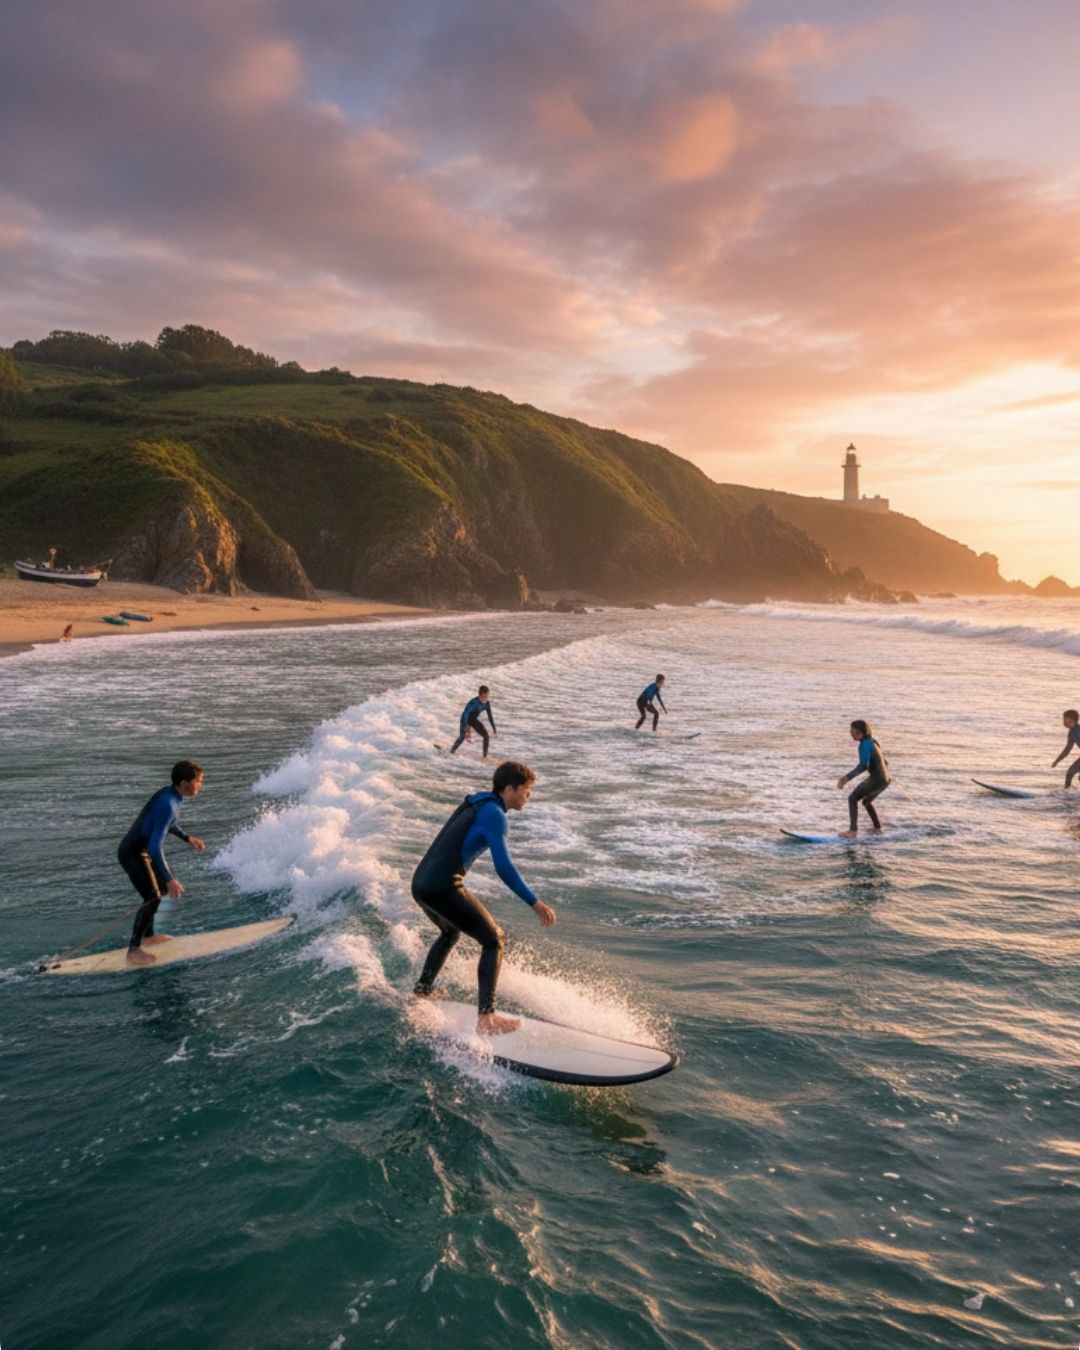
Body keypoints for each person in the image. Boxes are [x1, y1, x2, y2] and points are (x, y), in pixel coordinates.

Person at [412, 760, 556, 1034]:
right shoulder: (494, 815)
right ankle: (486, 1018)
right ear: (510, 788)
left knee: (450, 932)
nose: (529, 795)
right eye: (526, 790)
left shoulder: (479, 802)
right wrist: (534, 903)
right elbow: (504, 867)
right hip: (443, 885)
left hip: (421, 884)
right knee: (494, 940)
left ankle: (422, 992)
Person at [117, 761, 206, 966]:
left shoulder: (172, 796)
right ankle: (134, 949)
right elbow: (155, 847)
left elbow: (168, 824)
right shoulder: (168, 803)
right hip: (133, 854)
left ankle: (148, 936)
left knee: (158, 892)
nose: (200, 786)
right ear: (184, 783)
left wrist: (187, 838)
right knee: (153, 896)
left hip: (142, 851)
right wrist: (170, 879)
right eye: (198, 782)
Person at [837, 720, 890, 837]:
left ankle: (852, 831)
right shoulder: (874, 742)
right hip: (886, 779)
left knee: (852, 798)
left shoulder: (864, 745)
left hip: (877, 779)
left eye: (852, 731)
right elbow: (885, 762)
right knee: (866, 801)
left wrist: (846, 778)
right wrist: (883, 774)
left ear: (860, 733)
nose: (850, 734)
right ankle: (877, 829)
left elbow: (863, 766)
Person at [449, 684, 497, 760]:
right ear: (480, 695)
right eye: (484, 697)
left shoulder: (487, 703)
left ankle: (485, 757)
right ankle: (451, 752)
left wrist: (494, 728)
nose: (486, 698)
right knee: (462, 737)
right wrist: (466, 729)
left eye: (487, 696)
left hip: (473, 719)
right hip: (465, 719)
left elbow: (490, 716)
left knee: (486, 736)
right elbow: (465, 715)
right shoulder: (473, 702)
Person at [1051, 708, 1080, 787]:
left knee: (1071, 773)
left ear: (1072, 720)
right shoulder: (1072, 732)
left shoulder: (1077, 731)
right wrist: (1057, 761)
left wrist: (1056, 761)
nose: (1063, 722)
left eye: (1065, 719)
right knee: (1070, 773)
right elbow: (1067, 750)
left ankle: (1067, 793)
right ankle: (1067, 793)